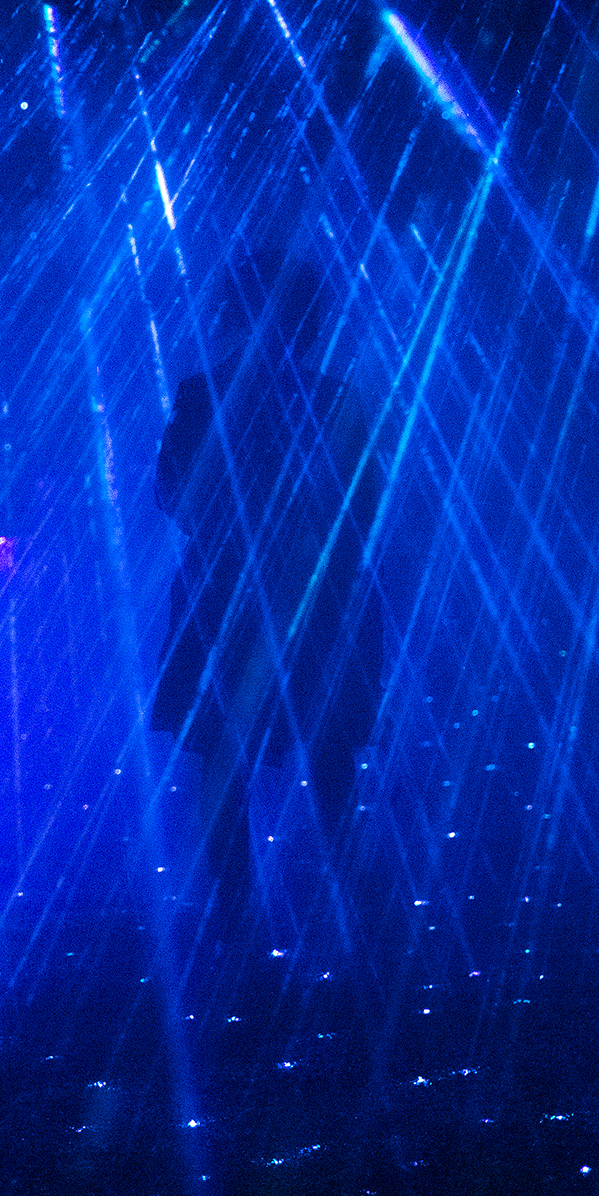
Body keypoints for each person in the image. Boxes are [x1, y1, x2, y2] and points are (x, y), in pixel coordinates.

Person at [152, 250, 383, 892]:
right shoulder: (329, 397)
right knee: (324, 743)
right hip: (306, 597)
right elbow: (365, 502)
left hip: (232, 596)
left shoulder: (204, 393)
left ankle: (239, 915)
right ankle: (341, 901)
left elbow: (170, 494)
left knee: (237, 750)